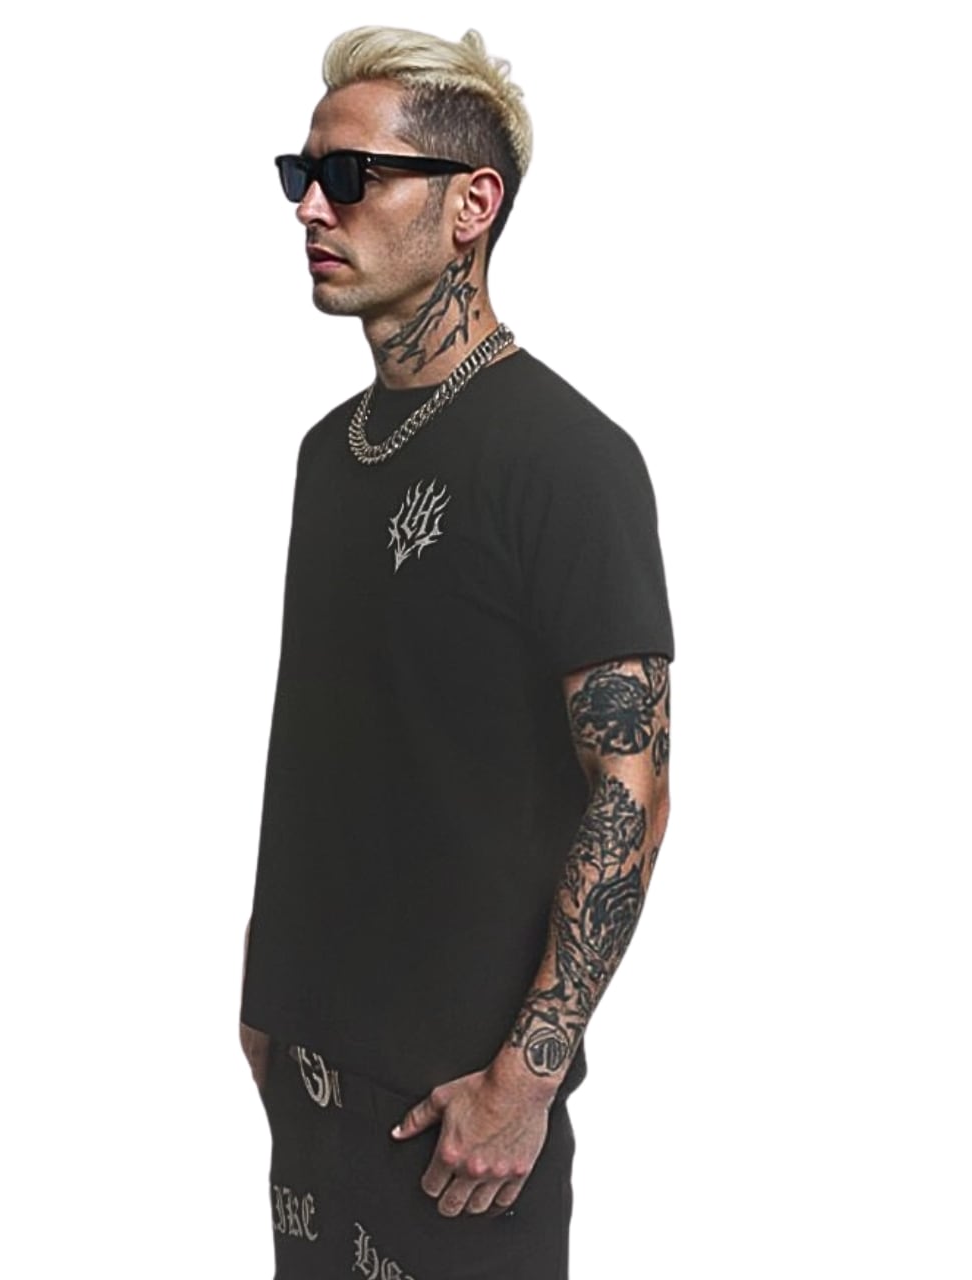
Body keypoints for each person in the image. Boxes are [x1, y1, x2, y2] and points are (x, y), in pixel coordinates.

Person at [239, 25, 674, 1279]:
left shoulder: (566, 459)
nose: (311, 208)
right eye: (301, 175)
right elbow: (327, 741)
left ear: (470, 204)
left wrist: (524, 1077)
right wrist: (269, 996)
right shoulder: (331, 453)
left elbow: (630, 785)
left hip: (457, 1114)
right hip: (310, 1074)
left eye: (351, 177)